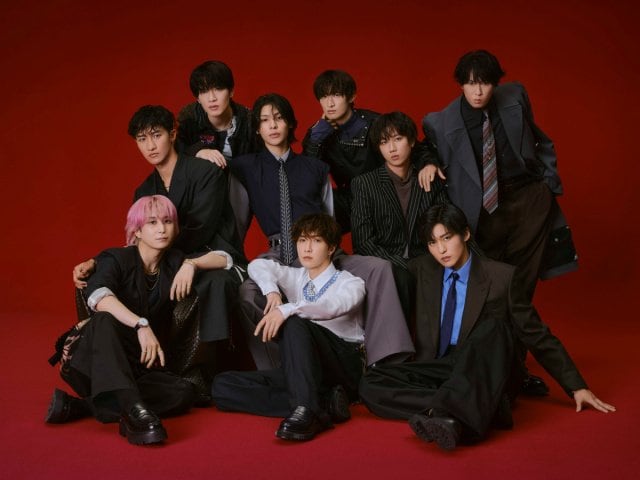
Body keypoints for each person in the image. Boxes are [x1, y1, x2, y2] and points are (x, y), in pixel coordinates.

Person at [359, 204, 615, 451]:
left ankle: (456, 406)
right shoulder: (421, 269)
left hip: (481, 368)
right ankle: (471, 408)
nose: (441, 249)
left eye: (447, 238)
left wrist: (576, 386)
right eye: (432, 242)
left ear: (465, 234)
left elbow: (536, 334)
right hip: (441, 366)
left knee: (495, 328)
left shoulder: (502, 277)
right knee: (371, 383)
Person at [421, 49, 578, 396]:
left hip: (528, 203)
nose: (478, 91)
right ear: (460, 84)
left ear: (496, 83)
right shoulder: (440, 121)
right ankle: (497, 370)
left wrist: (549, 184)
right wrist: (429, 161)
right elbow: (425, 148)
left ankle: (515, 371)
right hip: (482, 215)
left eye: (486, 83)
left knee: (520, 288)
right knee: (491, 292)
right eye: (471, 83)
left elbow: (539, 138)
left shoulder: (515, 96)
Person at [230, 93, 414, 369]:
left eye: (279, 118)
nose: (273, 126)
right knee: (248, 292)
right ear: (257, 128)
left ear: (290, 123)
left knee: (379, 268)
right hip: (278, 251)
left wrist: (327, 248)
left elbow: (328, 217)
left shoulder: (314, 168)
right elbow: (237, 216)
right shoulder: (245, 167)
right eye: (265, 121)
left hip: (323, 247)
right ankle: (281, 368)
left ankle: (385, 360)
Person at [73, 105, 247, 395]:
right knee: (122, 278)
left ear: (173, 134)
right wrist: (98, 261)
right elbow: (137, 237)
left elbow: (199, 229)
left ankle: (204, 373)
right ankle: (130, 358)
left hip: (211, 254)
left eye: (156, 135)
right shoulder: (144, 190)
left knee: (209, 284)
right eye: (142, 139)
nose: (150, 146)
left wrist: (183, 262)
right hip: (168, 260)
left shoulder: (204, 172)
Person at [47, 196, 233, 445]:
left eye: (167, 221)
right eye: (152, 222)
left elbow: (226, 259)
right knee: (104, 319)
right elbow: (98, 296)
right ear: (137, 231)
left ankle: (84, 406)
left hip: (134, 365)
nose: (161, 229)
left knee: (184, 393)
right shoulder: (117, 258)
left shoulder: (173, 262)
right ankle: (136, 416)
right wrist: (141, 324)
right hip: (93, 358)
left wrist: (192, 264)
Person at [212, 214, 365, 441]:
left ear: (331, 247)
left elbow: (332, 306)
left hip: (342, 366)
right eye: (302, 240)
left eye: (316, 241)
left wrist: (288, 309)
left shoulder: (351, 283)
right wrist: (271, 291)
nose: (307, 248)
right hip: (305, 371)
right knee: (222, 386)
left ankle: (307, 410)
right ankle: (324, 404)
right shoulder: (297, 276)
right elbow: (258, 265)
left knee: (294, 322)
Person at [302, 70, 440, 233]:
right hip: (352, 199)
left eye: (336, 95)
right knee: (309, 198)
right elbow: (308, 175)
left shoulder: (375, 122)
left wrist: (429, 163)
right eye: (324, 97)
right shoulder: (318, 132)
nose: (330, 103)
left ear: (352, 96)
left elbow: (415, 148)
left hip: (386, 192)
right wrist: (316, 139)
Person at [351, 112, 448, 320]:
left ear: (411, 141)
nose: (392, 148)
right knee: (402, 280)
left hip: (426, 260)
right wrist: (403, 264)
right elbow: (363, 243)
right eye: (384, 142)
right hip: (384, 263)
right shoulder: (365, 184)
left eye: (398, 139)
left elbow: (445, 224)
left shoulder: (429, 178)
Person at [176, 60, 255, 240]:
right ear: (197, 98)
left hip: (238, 191)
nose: (211, 98)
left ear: (231, 91)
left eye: (218, 89)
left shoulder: (249, 121)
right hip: (201, 191)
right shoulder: (189, 119)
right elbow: (174, 150)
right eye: (204, 91)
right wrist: (198, 151)